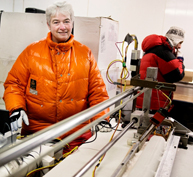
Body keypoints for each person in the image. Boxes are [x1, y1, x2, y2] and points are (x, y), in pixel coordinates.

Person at [3, 1, 109, 152]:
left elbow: (97, 92)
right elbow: (14, 84)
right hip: (37, 134)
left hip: (75, 136)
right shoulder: (32, 52)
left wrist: (102, 119)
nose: (62, 27)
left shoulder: (85, 54)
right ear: (48, 25)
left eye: (66, 21)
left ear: (72, 22)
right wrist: (16, 108)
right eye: (56, 22)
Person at [136, 26, 185, 111]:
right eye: (180, 43)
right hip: (155, 103)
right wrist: (180, 60)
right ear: (175, 40)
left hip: (145, 100)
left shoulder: (152, 49)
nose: (180, 46)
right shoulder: (164, 53)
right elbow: (177, 75)